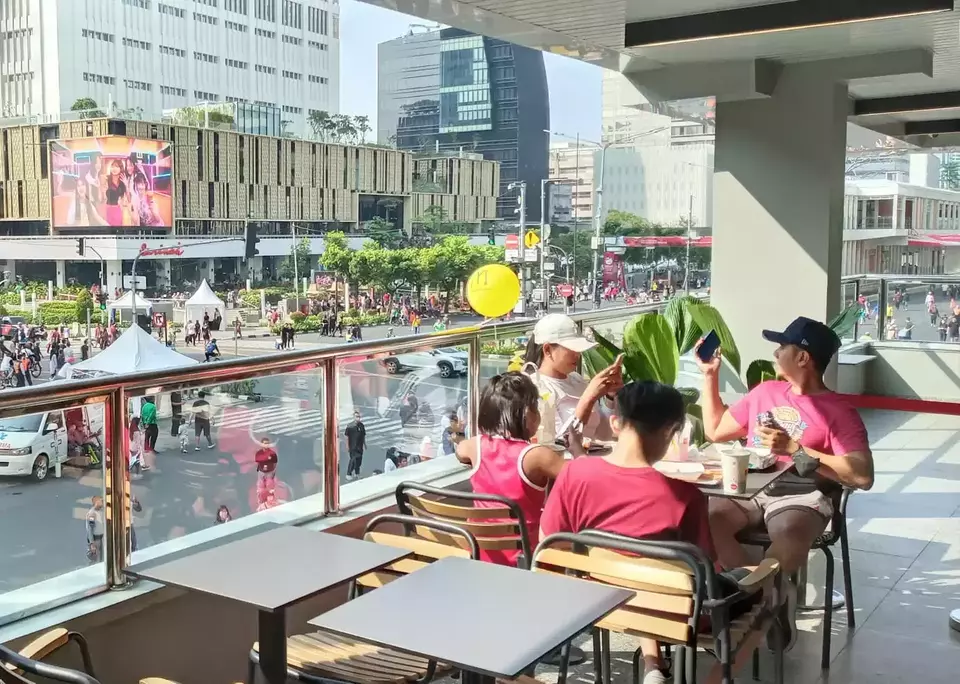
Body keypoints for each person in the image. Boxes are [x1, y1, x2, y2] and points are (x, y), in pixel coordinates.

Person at [697, 316, 873, 650]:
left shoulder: (838, 411)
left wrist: (795, 448)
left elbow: (862, 475)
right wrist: (710, 375)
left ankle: (758, 599)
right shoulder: (765, 391)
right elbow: (716, 431)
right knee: (709, 517)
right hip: (752, 487)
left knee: (788, 533)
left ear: (803, 358)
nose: (776, 353)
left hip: (802, 495)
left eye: (782, 347)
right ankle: (768, 599)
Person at [541, 381, 732, 684]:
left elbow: (550, 545)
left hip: (596, 602)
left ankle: (653, 664)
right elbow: (706, 568)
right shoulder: (685, 496)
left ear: (615, 424)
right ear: (672, 431)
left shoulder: (574, 474)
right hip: (672, 610)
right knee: (764, 588)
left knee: (641, 573)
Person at [455, 372, 573, 566]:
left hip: (482, 555)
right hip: (527, 557)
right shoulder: (536, 456)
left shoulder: (474, 446)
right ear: (528, 414)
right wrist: (576, 447)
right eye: (537, 407)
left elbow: (460, 451)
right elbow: (581, 475)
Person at [522, 313, 624, 441]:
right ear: (547, 349)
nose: (578, 355)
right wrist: (588, 398)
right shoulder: (535, 387)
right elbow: (557, 442)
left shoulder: (577, 379)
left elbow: (603, 435)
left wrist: (610, 396)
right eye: (571, 349)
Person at [254, 438, 278, 503]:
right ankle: (261, 502)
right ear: (262, 444)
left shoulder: (272, 453)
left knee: (270, 488)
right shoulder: (258, 453)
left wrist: (273, 472)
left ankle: (271, 502)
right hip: (261, 472)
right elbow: (257, 463)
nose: (266, 445)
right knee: (261, 489)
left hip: (270, 473)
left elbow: (275, 463)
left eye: (267, 443)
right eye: (264, 443)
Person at [344, 411, 366, 481]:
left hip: (359, 446)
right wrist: (347, 446)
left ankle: (357, 473)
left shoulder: (361, 425)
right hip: (353, 446)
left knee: (359, 461)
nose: (358, 418)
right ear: (354, 417)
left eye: (359, 417)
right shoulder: (350, 426)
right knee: (353, 460)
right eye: (357, 416)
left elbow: (363, 436)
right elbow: (346, 437)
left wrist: (364, 444)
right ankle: (348, 474)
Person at [85, 495, 105, 564]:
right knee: (96, 560)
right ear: (96, 502)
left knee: (101, 559)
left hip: (101, 539)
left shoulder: (99, 512)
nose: (102, 502)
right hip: (96, 540)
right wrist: (92, 543)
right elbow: (90, 529)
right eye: (101, 501)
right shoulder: (92, 514)